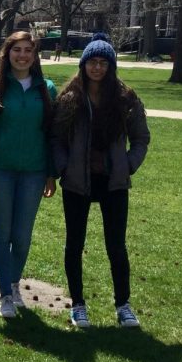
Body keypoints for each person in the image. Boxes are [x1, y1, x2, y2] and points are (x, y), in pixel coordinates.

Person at [52, 33, 150, 329]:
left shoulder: (125, 99)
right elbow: (55, 138)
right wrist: (63, 167)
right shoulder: (70, 99)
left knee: (116, 246)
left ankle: (123, 305)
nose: (97, 68)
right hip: (78, 181)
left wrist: (128, 165)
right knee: (74, 244)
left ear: (111, 66)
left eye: (103, 62)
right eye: (91, 62)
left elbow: (141, 138)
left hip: (113, 182)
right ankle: (78, 304)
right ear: (83, 65)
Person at [0, 31, 57, 319]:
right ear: (7, 54)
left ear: (35, 56)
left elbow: (53, 136)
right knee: (3, 233)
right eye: (16, 50)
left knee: (21, 236)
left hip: (34, 173)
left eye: (28, 51)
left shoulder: (47, 90)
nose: (22, 55)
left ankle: (15, 282)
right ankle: (6, 294)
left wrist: (51, 174)